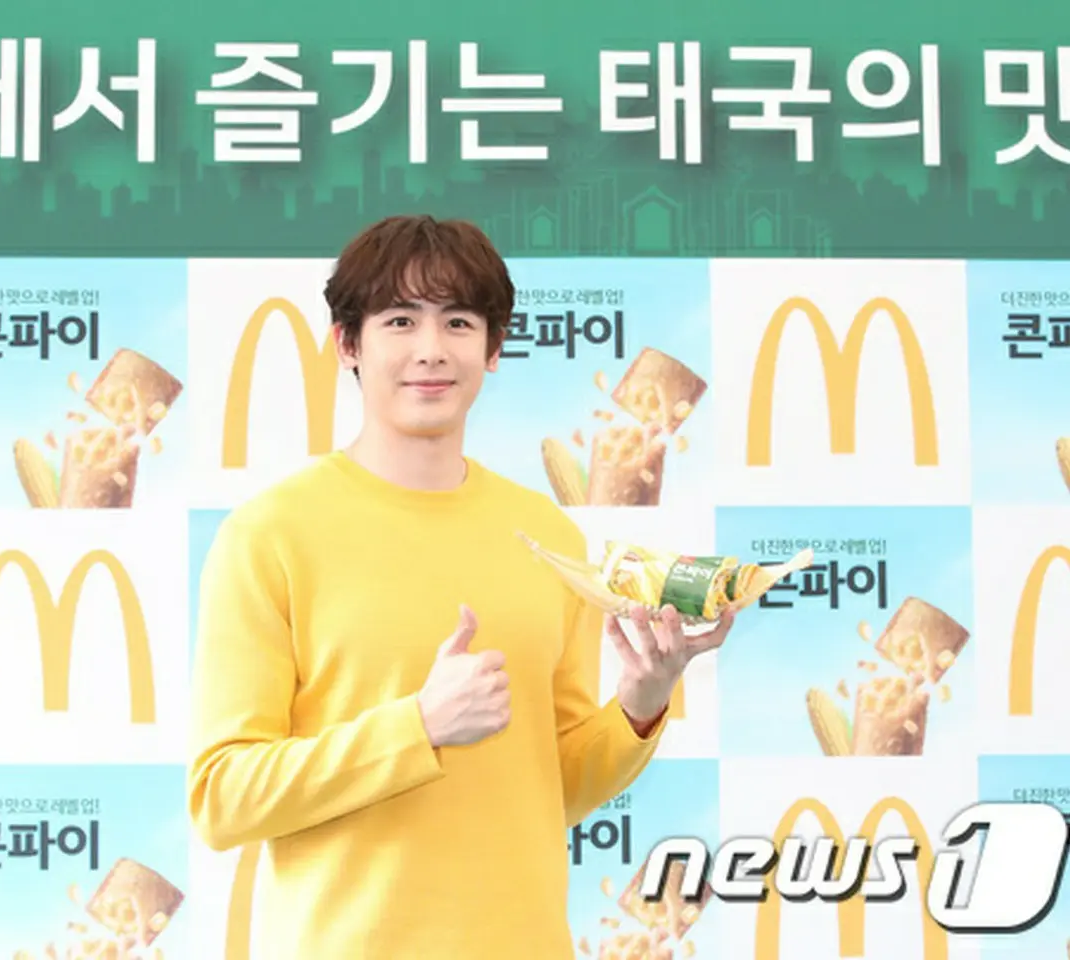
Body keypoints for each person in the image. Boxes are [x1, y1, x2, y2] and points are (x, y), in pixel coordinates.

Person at [187, 215, 735, 958]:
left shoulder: (546, 535)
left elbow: (552, 784)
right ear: (348, 344)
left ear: (493, 347)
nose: (431, 349)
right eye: (400, 320)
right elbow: (222, 797)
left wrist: (642, 704)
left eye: (458, 322)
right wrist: (417, 727)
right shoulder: (268, 535)